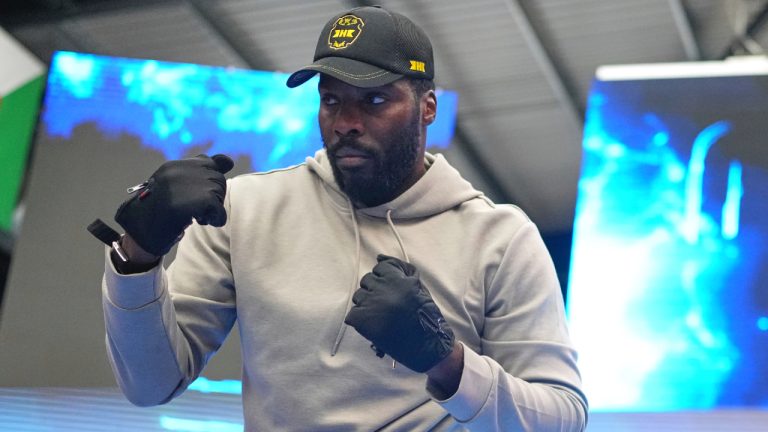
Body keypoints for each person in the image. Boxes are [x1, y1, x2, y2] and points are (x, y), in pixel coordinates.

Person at [97, 5, 587, 431]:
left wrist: (447, 361)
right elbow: (149, 385)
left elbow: (561, 417)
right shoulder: (242, 210)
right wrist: (137, 257)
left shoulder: (499, 237)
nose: (346, 123)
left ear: (427, 107)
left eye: (375, 100)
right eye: (331, 100)